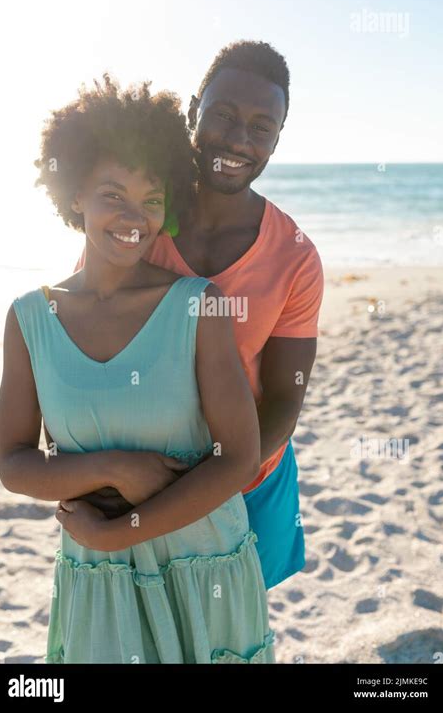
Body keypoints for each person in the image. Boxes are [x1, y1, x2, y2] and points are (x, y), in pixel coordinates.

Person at [0, 76, 275, 664]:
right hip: (99, 581)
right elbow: (14, 465)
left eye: (151, 199)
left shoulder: (200, 305)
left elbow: (241, 458)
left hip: (203, 570)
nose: (134, 218)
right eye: (112, 194)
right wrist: (117, 468)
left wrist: (117, 530)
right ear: (74, 194)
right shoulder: (29, 318)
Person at [76, 41, 324, 590]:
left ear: (278, 140)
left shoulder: (296, 256)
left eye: (262, 128)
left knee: (233, 636)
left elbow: (286, 397)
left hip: (248, 480)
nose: (239, 140)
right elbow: (82, 346)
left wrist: (208, 482)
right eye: (224, 115)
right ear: (193, 111)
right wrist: (112, 473)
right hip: (133, 478)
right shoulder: (135, 222)